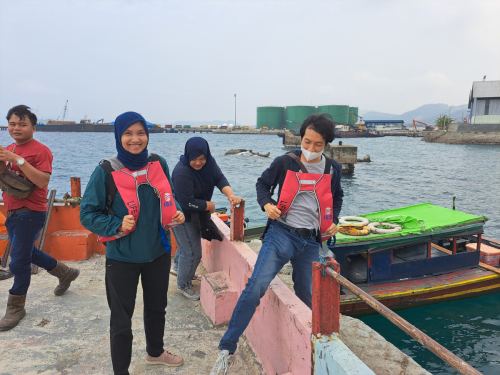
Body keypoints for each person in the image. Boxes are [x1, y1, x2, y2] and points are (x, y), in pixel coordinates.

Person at [210, 113, 343, 374]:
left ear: (327, 143)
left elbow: (336, 197)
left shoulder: (333, 169)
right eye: (307, 142)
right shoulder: (285, 162)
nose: (311, 149)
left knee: (307, 294)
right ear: (300, 137)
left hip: (311, 241)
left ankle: (310, 353)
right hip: (281, 234)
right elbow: (262, 185)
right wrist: (267, 204)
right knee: (256, 285)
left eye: (318, 144)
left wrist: (334, 219)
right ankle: (227, 349)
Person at [80, 112, 185, 374]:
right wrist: (116, 224)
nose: (135, 139)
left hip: (158, 252)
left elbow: (169, 196)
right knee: (121, 320)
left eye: (140, 133)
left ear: (147, 135)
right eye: (128, 133)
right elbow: (87, 214)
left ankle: (155, 353)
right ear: (118, 136)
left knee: (157, 308)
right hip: (122, 257)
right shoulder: (106, 170)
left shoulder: (158, 162)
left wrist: (178, 211)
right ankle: (121, 371)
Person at [0, 105, 80, 331]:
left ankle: (16, 307)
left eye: (22, 124)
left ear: (33, 128)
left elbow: (43, 181)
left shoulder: (40, 150)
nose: (16, 128)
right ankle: (66, 272)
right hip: (13, 210)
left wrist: (17, 159)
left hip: (30, 212)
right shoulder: (9, 148)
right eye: (12, 123)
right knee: (27, 252)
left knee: (19, 262)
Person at [171, 137, 243, 300]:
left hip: (195, 212)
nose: (198, 163)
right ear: (187, 155)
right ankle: (183, 285)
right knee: (192, 252)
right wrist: (210, 206)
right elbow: (186, 202)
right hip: (181, 215)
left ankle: (178, 268)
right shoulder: (182, 172)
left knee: (185, 245)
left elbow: (219, 178)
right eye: (194, 159)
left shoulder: (209, 163)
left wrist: (230, 195)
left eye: (202, 158)